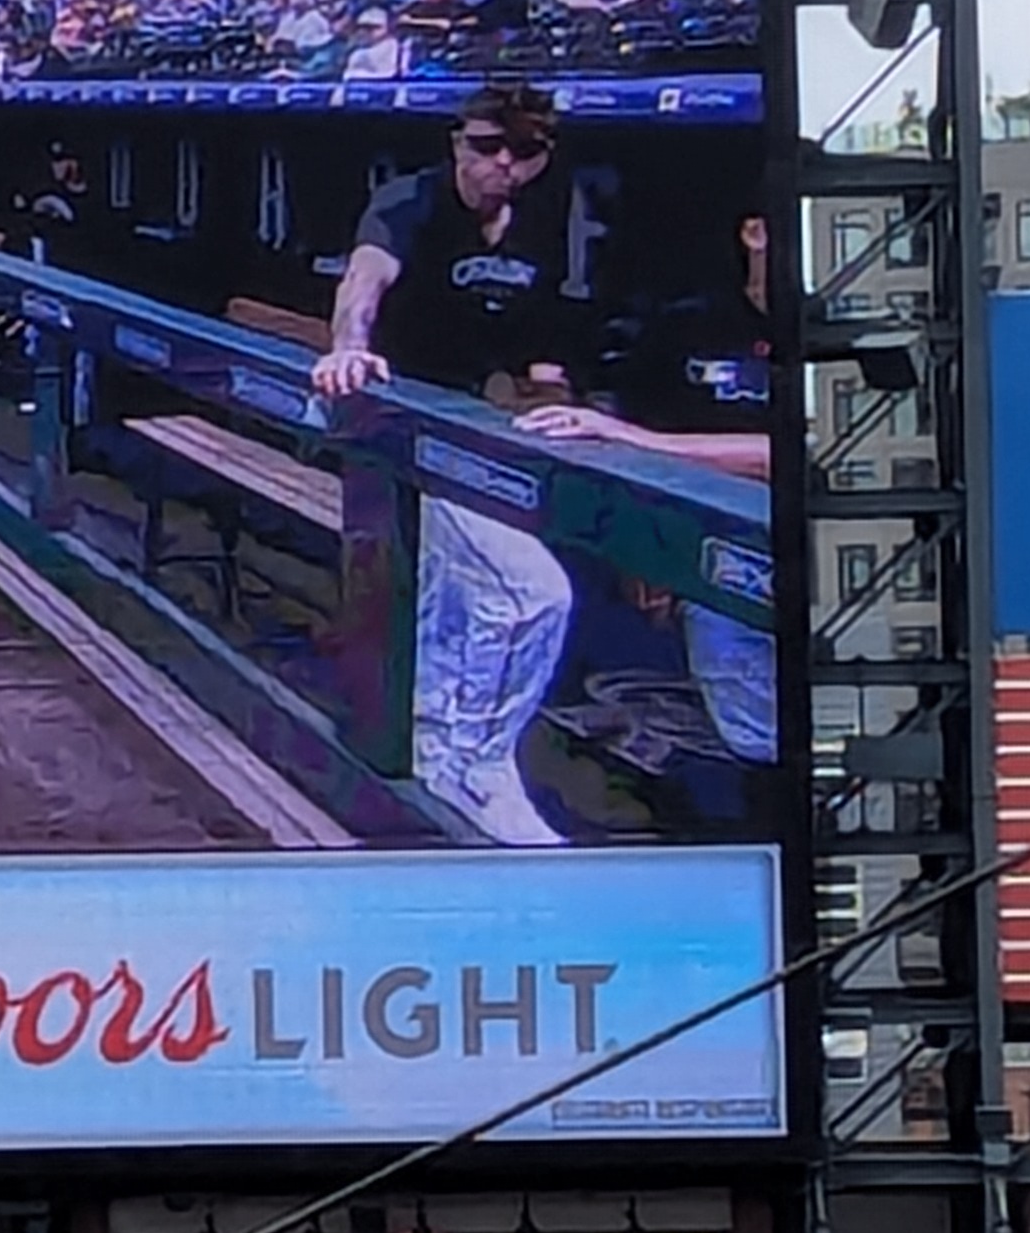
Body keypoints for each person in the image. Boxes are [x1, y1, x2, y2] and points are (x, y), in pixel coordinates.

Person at [315, 82, 595, 846]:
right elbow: (364, 279)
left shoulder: (549, 216)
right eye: (485, 146)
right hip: (398, 419)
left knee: (454, 596)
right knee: (533, 594)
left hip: (476, 427)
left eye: (523, 151)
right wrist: (348, 345)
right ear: (456, 143)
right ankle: (480, 766)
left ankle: (446, 759)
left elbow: (545, 342)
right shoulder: (413, 200)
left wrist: (553, 405)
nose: (501, 164)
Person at [519, 199, 778, 767]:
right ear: (754, 231)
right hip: (718, 557)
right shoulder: (691, 324)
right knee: (753, 739)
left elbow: (797, 457)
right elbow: (638, 425)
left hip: (822, 550)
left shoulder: (843, 335)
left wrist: (635, 438)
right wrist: (648, 552)